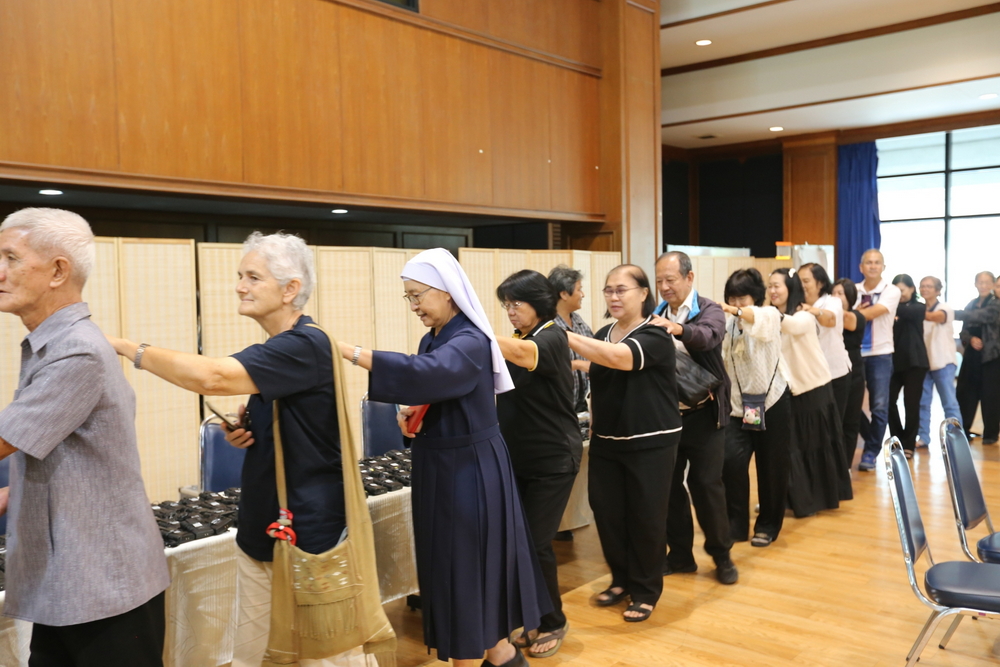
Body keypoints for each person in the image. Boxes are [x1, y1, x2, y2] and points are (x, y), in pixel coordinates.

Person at [107, 232, 349, 667]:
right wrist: (249, 431)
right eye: (240, 276)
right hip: (262, 525)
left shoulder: (305, 345)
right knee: (254, 655)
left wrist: (129, 349)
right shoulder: (280, 348)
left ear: (290, 289)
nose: (239, 286)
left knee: (321, 656)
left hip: (306, 533)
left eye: (253, 277)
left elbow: (212, 377)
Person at [336, 248, 548, 667]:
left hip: (469, 471)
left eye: (418, 295)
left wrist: (349, 352)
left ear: (447, 291)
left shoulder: (470, 339)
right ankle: (503, 655)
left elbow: (426, 372)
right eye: (409, 297)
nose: (414, 305)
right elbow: (434, 387)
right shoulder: (435, 336)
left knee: (465, 576)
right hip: (441, 466)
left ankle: (477, 654)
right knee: (456, 574)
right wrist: (414, 410)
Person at [0, 208, 169, 667]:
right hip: (70, 578)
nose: (1, 271)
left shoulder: (77, 350)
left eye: (11, 258)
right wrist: (14, 493)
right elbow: (69, 455)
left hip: (105, 584)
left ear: (58, 271)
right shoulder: (56, 343)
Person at [564, 264, 680, 623]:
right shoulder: (604, 333)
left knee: (646, 517)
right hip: (607, 440)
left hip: (650, 442)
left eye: (621, 290)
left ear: (643, 293)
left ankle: (645, 590)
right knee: (608, 512)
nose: (613, 297)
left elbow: (620, 358)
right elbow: (603, 372)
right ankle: (621, 579)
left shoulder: (655, 333)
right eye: (608, 290)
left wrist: (559, 335)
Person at [494, 270, 581, 659]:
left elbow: (519, 355)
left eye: (517, 303)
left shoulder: (551, 336)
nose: (510, 311)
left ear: (539, 303)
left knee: (534, 542)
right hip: (521, 458)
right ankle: (533, 615)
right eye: (506, 305)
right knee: (520, 542)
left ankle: (552, 620)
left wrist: (470, 332)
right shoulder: (520, 337)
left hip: (554, 459)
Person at [651, 251, 736, 585]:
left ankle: (722, 555)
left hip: (704, 415)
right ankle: (680, 556)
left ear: (689, 277)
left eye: (670, 279)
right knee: (669, 488)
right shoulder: (655, 313)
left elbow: (707, 337)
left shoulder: (710, 310)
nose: (664, 286)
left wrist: (677, 329)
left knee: (706, 486)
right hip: (667, 417)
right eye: (659, 280)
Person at [768, 269, 852, 517]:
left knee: (813, 446)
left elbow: (792, 325)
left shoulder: (802, 315)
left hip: (813, 387)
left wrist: (759, 314)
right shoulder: (771, 315)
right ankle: (793, 499)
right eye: (769, 286)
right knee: (792, 448)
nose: (772, 291)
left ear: (790, 288)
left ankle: (815, 499)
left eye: (777, 286)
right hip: (787, 390)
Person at [719, 268, 791, 548]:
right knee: (731, 463)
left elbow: (754, 318)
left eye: (742, 298)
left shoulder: (769, 314)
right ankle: (736, 526)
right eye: (732, 298)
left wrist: (735, 310)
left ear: (756, 297)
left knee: (771, 468)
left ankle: (768, 526)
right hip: (739, 407)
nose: (736, 304)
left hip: (771, 402)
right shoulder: (729, 325)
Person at [855, 249, 901, 471]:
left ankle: (871, 452)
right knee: (850, 404)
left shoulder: (891, 290)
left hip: (880, 354)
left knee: (880, 407)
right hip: (854, 353)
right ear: (861, 267)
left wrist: (853, 312)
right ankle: (870, 438)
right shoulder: (853, 290)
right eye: (869, 262)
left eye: (877, 262)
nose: (873, 266)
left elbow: (875, 312)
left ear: (883, 267)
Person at [798, 263, 852, 423]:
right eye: (799, 281)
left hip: (835, 373)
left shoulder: (832, 301)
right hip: (808, 375)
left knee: (833, 424)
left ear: (820, 283)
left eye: (806, 281)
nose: (801, 285)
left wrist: (811, 310)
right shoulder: (795, 304)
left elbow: (830, 320)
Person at [954, 273, 1000, 446]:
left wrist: (952, 313)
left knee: (990, 395)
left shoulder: (996, 303)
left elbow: (982, 316)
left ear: (993, 284)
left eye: (987, 282)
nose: (983, 286)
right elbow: (963, 331)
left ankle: (990, 434)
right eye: (980, 282)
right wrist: (970, 339)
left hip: (992, 356)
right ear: (975, 284)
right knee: (965, 392)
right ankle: (964, 431)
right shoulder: (971, 304)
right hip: (971, 354)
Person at [917, 276, 962, 447]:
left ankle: (956, 440)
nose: (925, 289)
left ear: (938, 290)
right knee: (923, 402)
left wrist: (910, 312)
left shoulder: (944, 308)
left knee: (949, 402)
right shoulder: (919, 309)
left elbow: (936, 317)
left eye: (929, 286)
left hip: (944, 362)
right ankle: (923, 437)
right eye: (922, 286)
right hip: (924, 362)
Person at [886, 274, 928, 458]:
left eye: (902, 290)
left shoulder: (919, 307)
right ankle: (897, 439)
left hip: (915, 362)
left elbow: (906, 313)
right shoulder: (890, 309)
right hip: (893, 362)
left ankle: (909, 444)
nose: (899, 294)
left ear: (912, 289)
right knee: (888, 401)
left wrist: (887, 305)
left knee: (911, 404)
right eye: (895, 290)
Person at [832, 278, 868, 468]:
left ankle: (845, 466)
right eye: (833, 293)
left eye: (841, 293)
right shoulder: (828, 315)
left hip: (854, 371)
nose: (836, 297)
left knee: (851, 421)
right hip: (833, 372)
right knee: (835, 421)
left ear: (851, 297)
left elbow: (846, 320)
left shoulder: (856, 316)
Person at [548, 264, 593, 414]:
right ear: (564, 294)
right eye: (579, 289)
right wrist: (576, 364)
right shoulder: (547, 326)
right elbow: (544, 366)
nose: (583, 294)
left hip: (580, 406)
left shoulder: (578, 320)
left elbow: (594, 351)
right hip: (555, 408)